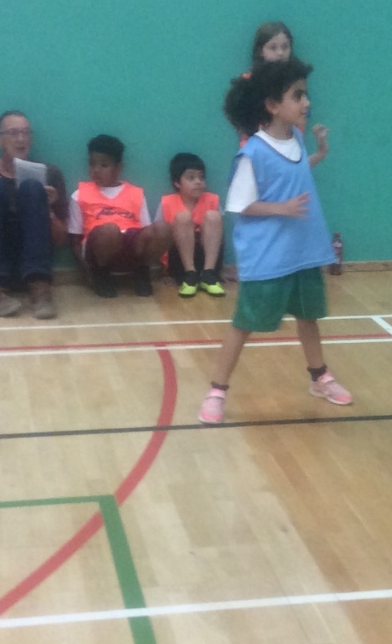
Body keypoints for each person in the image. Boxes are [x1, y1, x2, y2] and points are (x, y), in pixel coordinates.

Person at [199, 58, 351, 424]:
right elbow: (240, 204)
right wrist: (280, 208)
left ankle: (319, 377)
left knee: (308, 317)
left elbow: (291, 172)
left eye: (305, 94)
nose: (306, 102)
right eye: (297, 95)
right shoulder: (252, 152)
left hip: (303, 252)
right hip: (268, 258)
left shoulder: (296, 138)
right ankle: (217, 390)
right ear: (272, 105)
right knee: (244, 324)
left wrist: (319, 154)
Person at [0, 110, 62, 319]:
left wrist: (48, 209)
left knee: (32, 187)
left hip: (32, 262)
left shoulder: (49, 174)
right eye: (14, 133)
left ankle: (40, 288)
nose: (21, 139)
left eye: (26, 133)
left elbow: (62, 240)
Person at [68, 134, 169, 297]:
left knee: (163, 228)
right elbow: (74, 241)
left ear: (118, 168)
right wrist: (87, 271)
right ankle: (101, 274)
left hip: (132, 246)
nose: (96, 170)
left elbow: (147, 232)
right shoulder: (79, 194)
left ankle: (141, 272)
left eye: (104, 165)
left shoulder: (136, 193)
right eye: (92, 164)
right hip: (99, 249)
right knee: (110, 230)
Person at [232, 22, 327, 166]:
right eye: (273, 47)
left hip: (290, 148)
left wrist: (317, 152)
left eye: (285, 47)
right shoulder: (249, 81)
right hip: (258, 152)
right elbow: (242, 121)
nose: (280, 53)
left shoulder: (297, 81)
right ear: (260, 51)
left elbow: (303, 117)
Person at [159, 151, 224, 297]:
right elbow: (161, 239)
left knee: (213, 216)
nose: (198, 182)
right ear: (177, 182)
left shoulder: (212, 200)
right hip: (180, 262)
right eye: (191, 178)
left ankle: (209, 274)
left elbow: (219, 236)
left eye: (201, 177)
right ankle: (190, 275)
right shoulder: (167, 202)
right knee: (183, 217)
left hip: (207, 259)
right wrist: (164, 271)